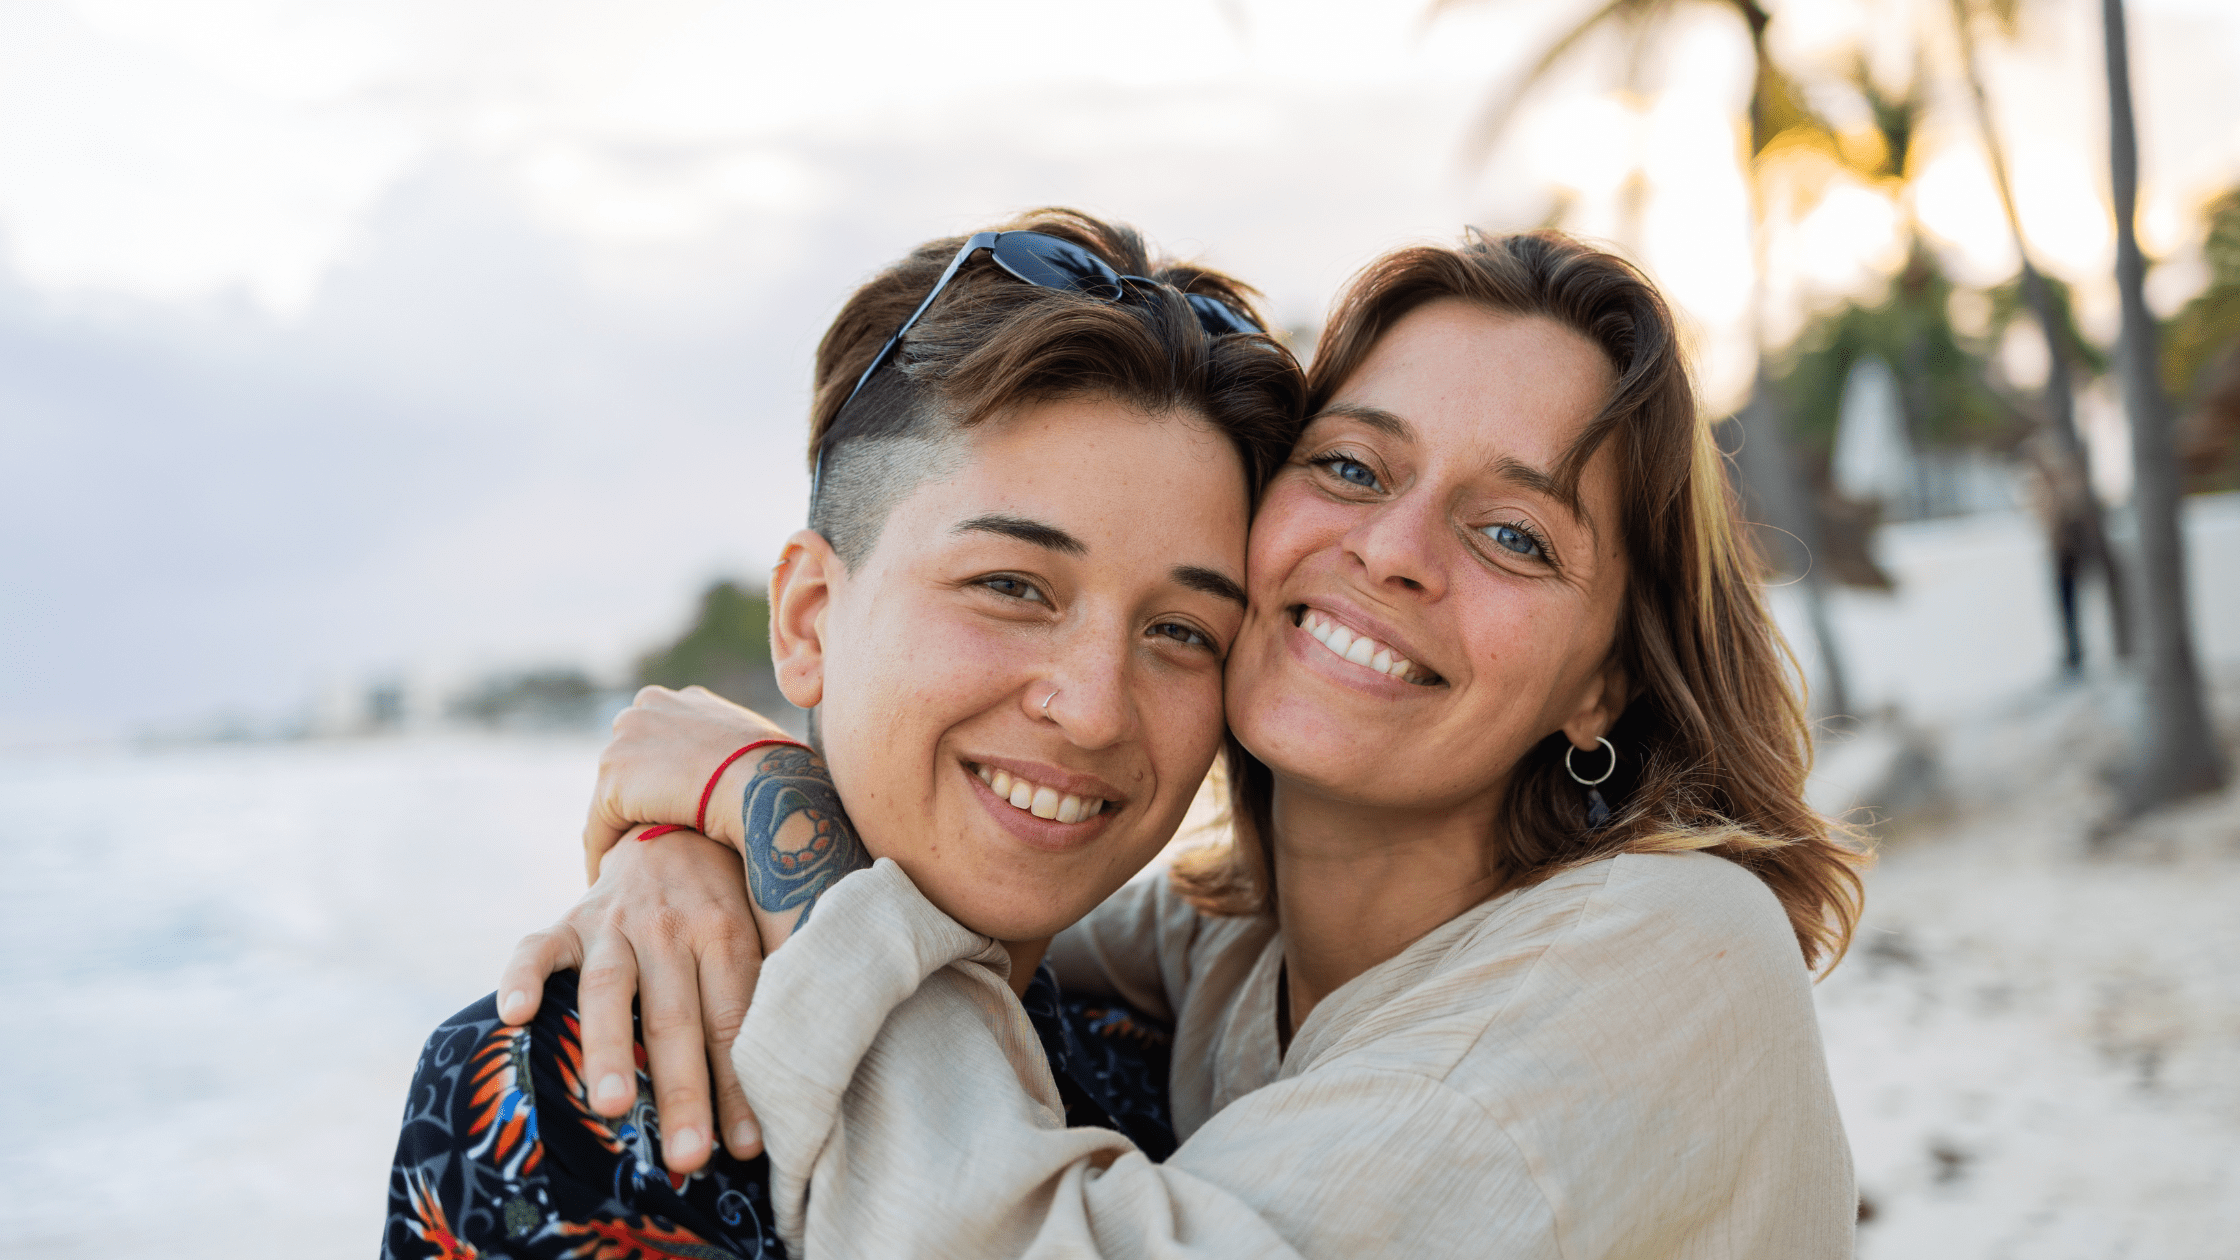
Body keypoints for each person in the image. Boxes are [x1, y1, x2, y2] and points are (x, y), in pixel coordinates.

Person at [535, 229, 1872, 1257]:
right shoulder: (1230, 952)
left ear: (1607, 684)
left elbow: (864, 938)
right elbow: (951, 911)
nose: (1393, 554)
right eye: (1351, 465)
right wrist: (680, 856)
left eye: (1513, 536)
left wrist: (761, 792)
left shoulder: (1675, 957)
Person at [381, 208, 1305, 1259]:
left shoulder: (1168, 1073)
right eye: (1011, 586)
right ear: (807, 618)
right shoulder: (593, 1078)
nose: (1093, 707)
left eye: (1181, 632)